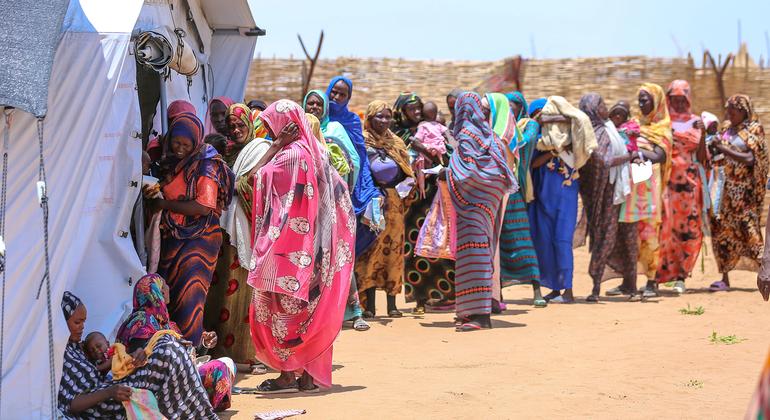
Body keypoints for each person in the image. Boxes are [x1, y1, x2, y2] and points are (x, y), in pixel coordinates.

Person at [248, 99, 354, 393]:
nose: (270, 132)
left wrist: (275, 146)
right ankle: (307, 377)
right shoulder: (317, 152)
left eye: (272, 127)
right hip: (317, 251)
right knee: (311, 312)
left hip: (288, 254)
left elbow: (254, 178)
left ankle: (286, 375)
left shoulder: (288, 156)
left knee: (284, 312)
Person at [58, 291, 217, 419]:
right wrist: (110, 391)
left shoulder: (74, 348)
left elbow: (96, 372)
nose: (82, 328)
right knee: (167, 352)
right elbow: (72, 403)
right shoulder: (60, 355)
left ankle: (199, 414)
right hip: (104, 406)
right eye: (77, 322)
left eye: (83, 322)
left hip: (112, 391)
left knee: (167, 346)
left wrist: (132, 359)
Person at [149, 113, 234, 345]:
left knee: (190, 296)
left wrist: (164, 204)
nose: (180, 148)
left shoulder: (206, 164)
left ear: (196, 142)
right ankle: (172, 348)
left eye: (186, 144)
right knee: (171, 294)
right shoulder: (173, 162)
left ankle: (190, 349)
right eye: (176, 142)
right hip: (175, 236)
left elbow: (204, 206)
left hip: (199, 240)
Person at [114, 274, 235, 412]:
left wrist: (204, 344)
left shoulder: (165, 323)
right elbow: (141, 357)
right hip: (156, 383)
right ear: (158, 291)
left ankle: (193, 404)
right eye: (164, 285)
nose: (168, 288)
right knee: (219, 367)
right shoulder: (142, 320)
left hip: (176, 377)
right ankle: (194, 407)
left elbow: (186, 354)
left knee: (228, 363)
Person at [447, 92, 515, 331]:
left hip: (473, 206)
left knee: (473, 256)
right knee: (481, 253)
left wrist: (447, 173)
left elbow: (467, 174)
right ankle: (470, 311)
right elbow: (499, 173)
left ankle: (481, 316)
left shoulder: (467, 136)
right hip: (486, 205)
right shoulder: (491, 138)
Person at [303, 89, 369, 331]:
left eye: (318, 104)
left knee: (339, 257)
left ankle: (354, 312)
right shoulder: (299, 131)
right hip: (307, 212)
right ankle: (320, 316)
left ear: (325, 108)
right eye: (309, 103)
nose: (313, 108)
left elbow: (353, 162)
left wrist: (340, 195)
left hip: (334, 206)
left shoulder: (334, 132)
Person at [576, 93, 639, 302]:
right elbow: (604, 161)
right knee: (605, 237)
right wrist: (629, 158)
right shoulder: (592, 132)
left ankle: (631, 285)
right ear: (593, 109)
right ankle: (595, 287)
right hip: (605, 195)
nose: (606, 107)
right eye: (601, 104)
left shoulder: (609, 128)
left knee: (628, 237)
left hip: (620, 191)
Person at [357, 100, 414, 318]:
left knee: (394, 252)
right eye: (379, 116)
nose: (384, 121)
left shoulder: (396, 143)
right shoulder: (362, 142)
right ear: (369, 118)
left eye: (387, 116)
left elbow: (408, 172)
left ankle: (392, 304)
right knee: (370, 251)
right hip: (371, 203)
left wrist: (404, 186)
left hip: (394, 204)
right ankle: (369, 306)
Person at [401, 95, 456, 314]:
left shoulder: (440, 131)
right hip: (414, 200)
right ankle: (419, 300)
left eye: (418, 109)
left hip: (438, 193)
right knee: (416, 248)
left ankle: (445, 296)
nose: (415, 113)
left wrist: (426, 149)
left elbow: (448, 159)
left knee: (442, 243)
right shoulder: (402, 134)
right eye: (411, 109)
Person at [654, 80, 710, 294]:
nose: (677, 103)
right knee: (664, 228)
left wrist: (703, 134)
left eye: (681, 99)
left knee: (687, 228)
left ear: (687, 99)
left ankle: (681, 276)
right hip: (665, 182)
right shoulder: (662, 122)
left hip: (689, 185)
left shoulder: (697, 122)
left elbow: (703, 158)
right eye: (674, 99)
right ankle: (658, 275)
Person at [710, 94, 769, 291]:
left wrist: (724, 150)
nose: (729, 114)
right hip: (725, 191)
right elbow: (717, 151)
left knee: (750, 232)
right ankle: (724, 279)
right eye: (728, 110)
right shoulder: (727, 129)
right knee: (723, 232)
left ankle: (766, 272)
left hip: (744, 193)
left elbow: (753, 159)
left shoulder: (754, 129)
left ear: (744, 111)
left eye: (733, 111)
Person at [495, 92, 547, 307]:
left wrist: (515, 133)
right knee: (496, 243)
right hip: (495, 191)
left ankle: (537, 289)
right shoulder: (495, 127)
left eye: (514, 106)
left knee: (522, 239)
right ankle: (496, 293)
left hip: (514, 191)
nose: (510, 110)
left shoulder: (527, 126)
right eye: (507, 107)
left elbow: (527, 142)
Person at [527, 98, 579, 303]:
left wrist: (559, 146)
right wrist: (552, 151)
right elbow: (534, 164)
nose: (543, 118)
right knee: (545, 242)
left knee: (562, 240)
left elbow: (578, 123)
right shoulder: (536, 139)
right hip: (542, 198)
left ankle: (568, 289)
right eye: (538, 113)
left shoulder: (568, 136)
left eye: (545, 113)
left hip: (565, 197)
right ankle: (556, 288)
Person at [626, 83, 672, 299]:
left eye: (646, 99)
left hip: (650, 187)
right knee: (630, 233)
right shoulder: (633, 124)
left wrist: (639, 154)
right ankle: (628, 281)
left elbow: (661, 155)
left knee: (650, 232)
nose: (641, 103)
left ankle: (652, 281)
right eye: (640, 99)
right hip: (631, 187)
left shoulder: (662, 127)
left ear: (657, 101)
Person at [413, 101, 450, 197]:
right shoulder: (438, 125)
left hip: (427, 149)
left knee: (423, 163)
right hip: (439, 149)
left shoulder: (422, 126)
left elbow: (417, 139)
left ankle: (427, 172)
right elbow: (447, 133)